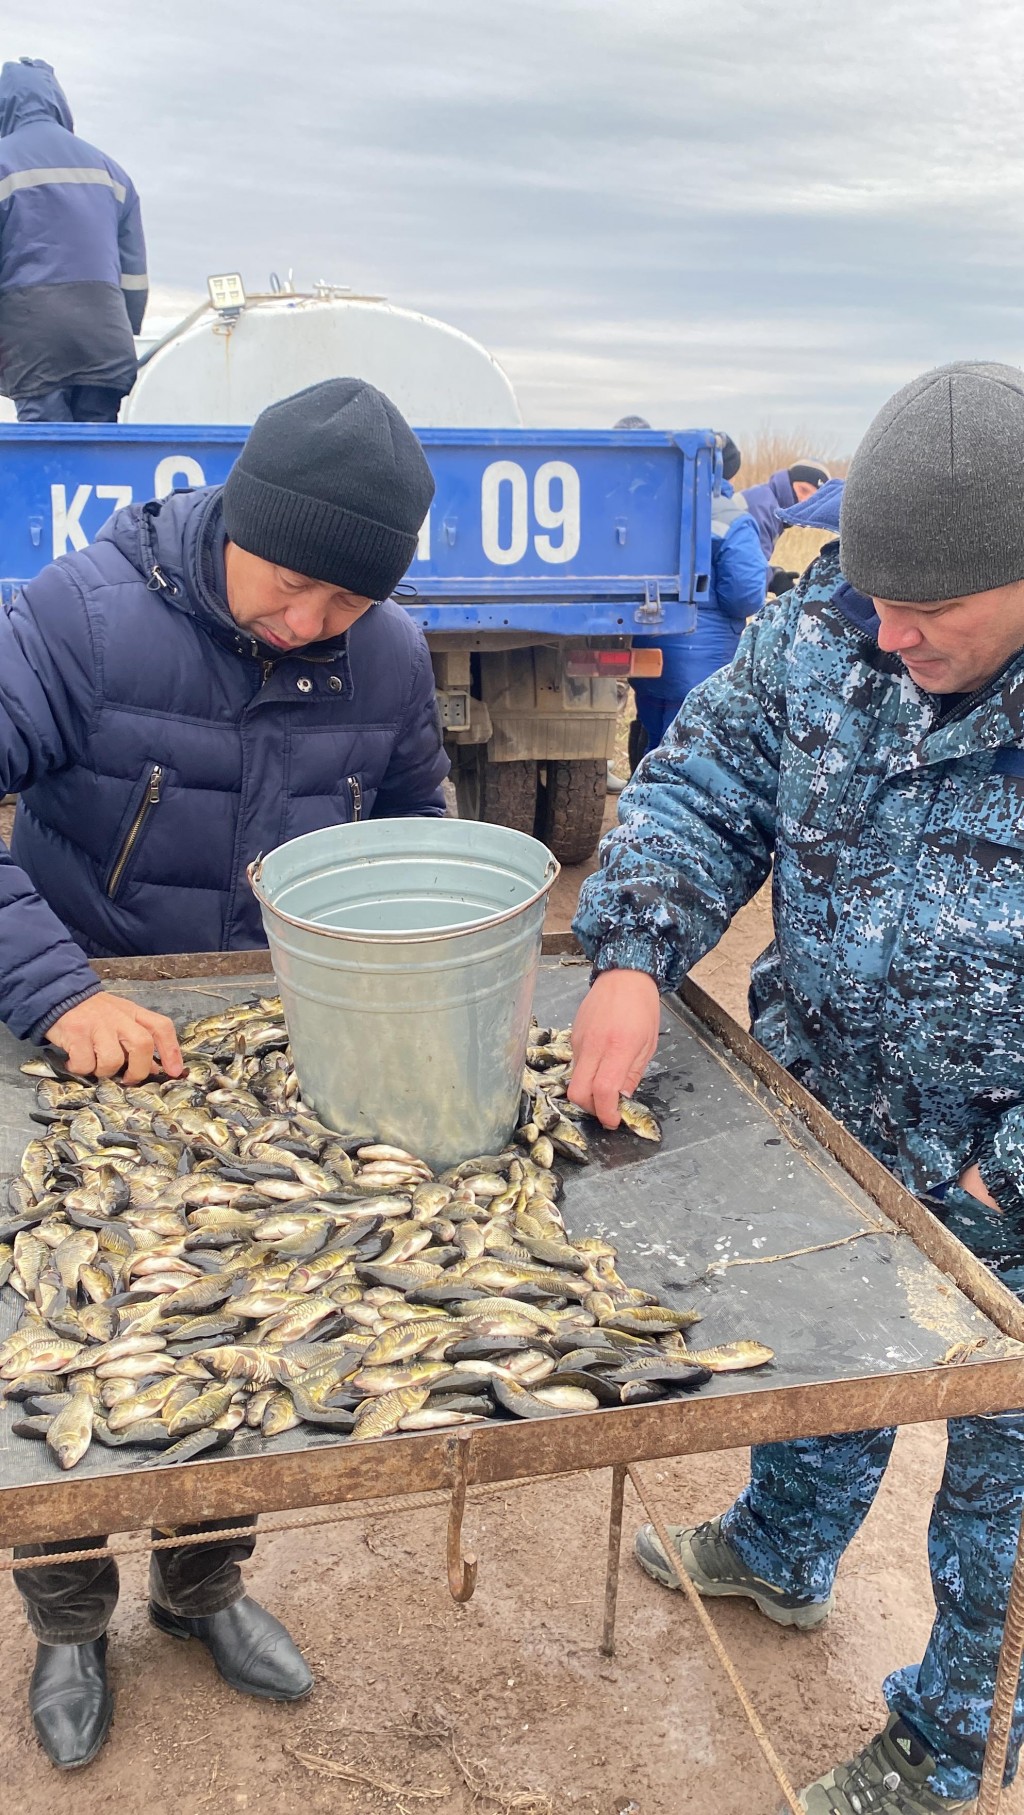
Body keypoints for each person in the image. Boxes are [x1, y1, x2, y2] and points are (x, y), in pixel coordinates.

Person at [570, 360, 1024, 1813]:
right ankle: (782, 1550)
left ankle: (959, 1740)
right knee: (826, 1361)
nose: (893, 637)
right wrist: (636, 951)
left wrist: (999, 1181)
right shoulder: (823, 635)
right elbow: (703, 787)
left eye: (934, 614)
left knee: (1004, 1498)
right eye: (877, 599)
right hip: (838, 1117)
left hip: (1001, 1174)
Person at [1, 375, 447, 1768]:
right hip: (77, 1033)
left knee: (251, 1325)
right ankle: (70, 1620)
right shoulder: (79, 613)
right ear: (239, 521)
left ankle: (204, 1587)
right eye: (295, 583)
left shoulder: (391, 658)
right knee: (71, 1331)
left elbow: (416, 843)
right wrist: (57, 985)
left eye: (348, 602)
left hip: (263, 1061)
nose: (313, 625)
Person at [0, 57, 147, 422]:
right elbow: (134, 277)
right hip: (105, 336)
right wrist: (122, 330)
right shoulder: (111, 172)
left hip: (34, 340)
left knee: (46, 451)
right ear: (58, 103)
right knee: (97, 454)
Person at [628, 427, 768, 771]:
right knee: (688, 752)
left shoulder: (651, 507)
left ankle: (639, 811)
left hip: (649, 647)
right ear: (725, 470)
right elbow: (746, 595)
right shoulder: (731, 519)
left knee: (653, 735)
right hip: (703, 660)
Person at [742, 457, 831, 597]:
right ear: (788, 482)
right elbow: (745, 575)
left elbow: (742, 558)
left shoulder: (766, 501)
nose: (804, 500)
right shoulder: (763, 509)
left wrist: (774, 576)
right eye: (803, 490)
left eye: (813, 498)